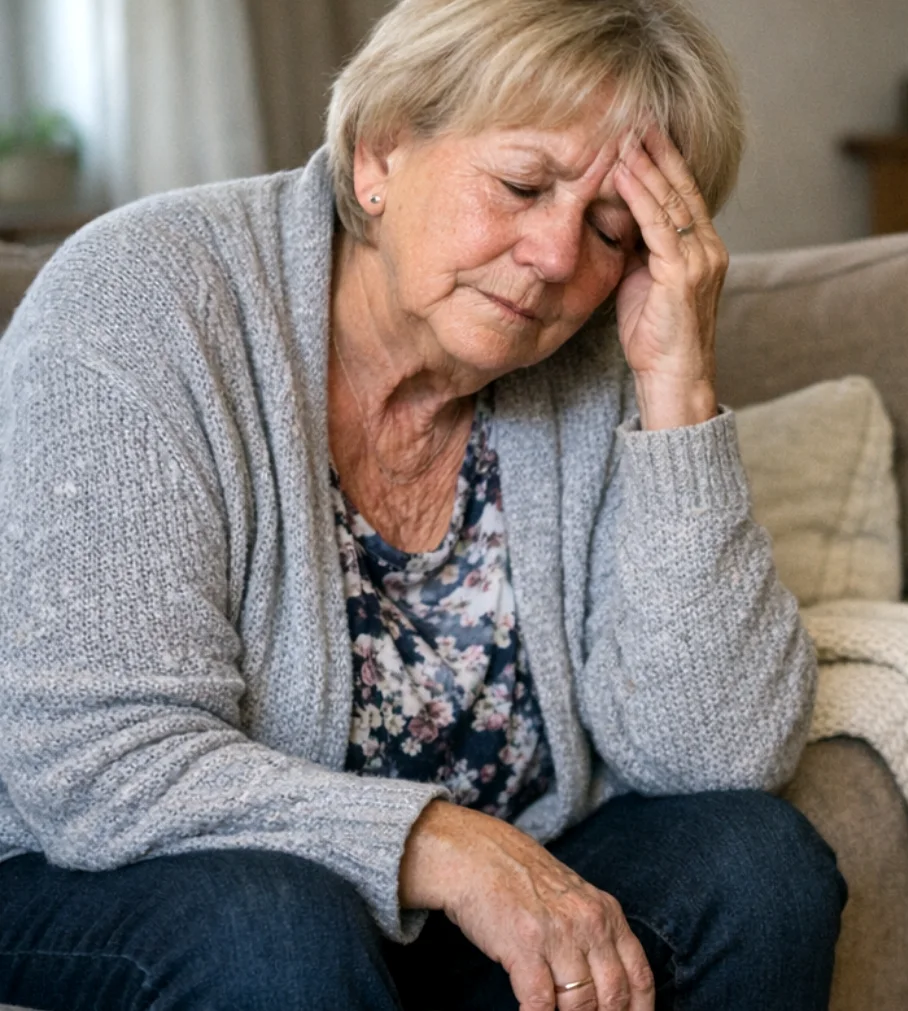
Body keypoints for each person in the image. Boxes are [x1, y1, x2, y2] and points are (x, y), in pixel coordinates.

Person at [0, 1, 845, 1009]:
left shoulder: (590, 351)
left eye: (612, 230)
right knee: (276, 930)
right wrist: (438, 846)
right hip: (102, 873)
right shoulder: (146, 298)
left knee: (757, 867)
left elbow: (717, 753)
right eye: (522, 185)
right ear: (379, 154)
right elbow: (99, 765)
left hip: (449, 908)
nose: (558, 258)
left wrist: (677, 389)